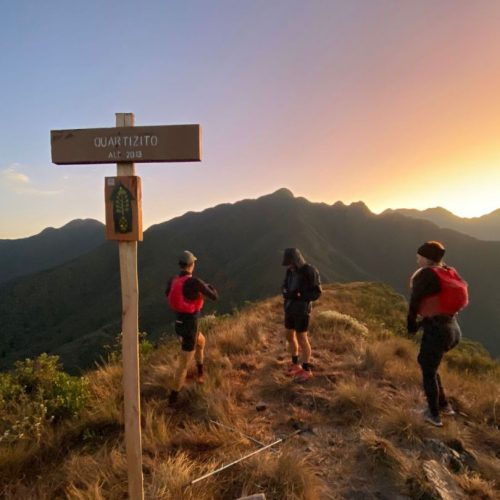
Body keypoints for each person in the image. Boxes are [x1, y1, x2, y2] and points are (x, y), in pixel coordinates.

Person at [407, 241, 467, 427]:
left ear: (426, 257)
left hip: (437, 330)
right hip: (452, 328)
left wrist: (411, 324)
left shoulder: (426, 274)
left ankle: (433, 415)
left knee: (427, 368)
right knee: (430, 366)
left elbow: (415, 301)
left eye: (419, 256)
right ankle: (444, 405)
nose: (417, 259)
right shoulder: (446, 271)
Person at [165, 250, 218, 405]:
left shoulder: (173, 280)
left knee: (201, 341)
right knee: (183, 364)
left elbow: (168, 295)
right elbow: (214, 296)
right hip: (190, 325)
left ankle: (200, 373)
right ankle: (173, 399)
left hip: (179, 323)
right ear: (191, 265)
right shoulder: (195, 282)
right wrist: (208, 287)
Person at [281, 248, 322, 382]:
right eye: (288, 264)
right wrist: (287, 293)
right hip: (289, 309)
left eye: (291, 263)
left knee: (301, 338)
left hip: (302, 311)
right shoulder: (290, 272)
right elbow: (284, 287)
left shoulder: (310, 271)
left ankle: (306, 369)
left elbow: (317, 293)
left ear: (297, 260)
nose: (289, 266)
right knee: (289, 335)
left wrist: (300, 296)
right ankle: (295, 363)